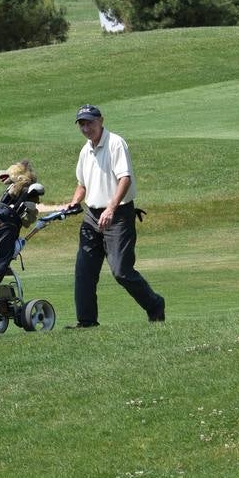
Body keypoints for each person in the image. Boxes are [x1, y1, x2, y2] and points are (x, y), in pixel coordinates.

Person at [62, 104, 165, 327]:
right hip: (92, 215)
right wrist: (74, 201)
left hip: (118, 215)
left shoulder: (115, 143)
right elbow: (82, 184)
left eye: (90, 122)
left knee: (121, 271)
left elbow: (124, 179)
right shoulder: (85, 150)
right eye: (82, 124)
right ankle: (87, 321)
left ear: (101, 121)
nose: (86, 128)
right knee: (84, 272)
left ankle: (155, 305)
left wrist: (110, 208)